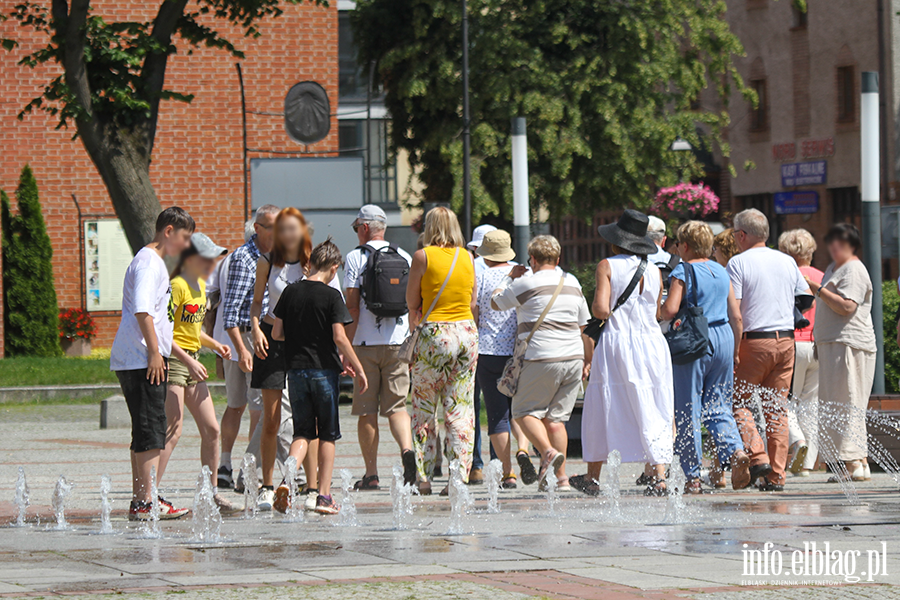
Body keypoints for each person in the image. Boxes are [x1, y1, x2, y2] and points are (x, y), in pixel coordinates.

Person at [577, 210, 674, 496]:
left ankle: (593, 477)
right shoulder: (655, 270)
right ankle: (659, 476)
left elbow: (602, 309)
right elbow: (657, 312)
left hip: (619, 342)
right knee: (653, 404)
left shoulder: (607, 265)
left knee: (605, 403)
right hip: (652, 344)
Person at [251, 207, 339, 511]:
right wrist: (254, 330)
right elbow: (256, 304)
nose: (288, 234)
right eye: (282, 229)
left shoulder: (310, 262)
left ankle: (313, 485)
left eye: (293, 228)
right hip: (272, 338)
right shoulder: (266, 262)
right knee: (271, 418)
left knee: (309, 419)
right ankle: (267, 484)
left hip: (302, 342)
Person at [272, 240, 368, 515]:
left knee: (302, 432)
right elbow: (339, 337)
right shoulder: (331, 295)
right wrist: (358, 367)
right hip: (324, 371)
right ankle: (323, 497)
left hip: (296, 370)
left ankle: (287, 481)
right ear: (334, 267)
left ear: (311, 262)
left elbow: (277, 333)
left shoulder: (289, 292)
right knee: (327, 434)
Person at [110, 207, 194, 521]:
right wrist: (155, 353)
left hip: (139, 356)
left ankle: (142, 498)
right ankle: (146, 502)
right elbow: (143, 312)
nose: (185, 246)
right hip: (141, 358)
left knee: (146, 429)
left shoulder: (153, 262)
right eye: (184, 238)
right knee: (151, 429)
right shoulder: (148, 263)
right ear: (168, 231)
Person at [491, 235, 590, 491]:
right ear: (558, 259)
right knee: (556, 420)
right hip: (573, 357)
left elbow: (496, 302)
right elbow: (582, 324)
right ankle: (562, 480)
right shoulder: (572, 282)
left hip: (541, 357)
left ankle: (546, 451)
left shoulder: (525, 282)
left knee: (523, 412)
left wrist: (509, 277)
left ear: (532, 260)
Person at [659, 221, 750, 493]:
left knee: (688, 408)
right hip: (724, 336)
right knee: (719, 404)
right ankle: (735, 451)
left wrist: (657, 309)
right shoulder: (722, 272)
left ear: (684, 246)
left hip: (695, 341)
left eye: (678, 243)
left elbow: (671, 309)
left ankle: (693, 477)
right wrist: (734, 351)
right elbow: (736, 316)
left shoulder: (682, 270)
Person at [727, 208, 811, 491]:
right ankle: (776, 476)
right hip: (786, 341)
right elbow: (806, 300)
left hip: (754, 340)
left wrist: (735, 349)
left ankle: (758, 457)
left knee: (738, 403)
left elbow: (735, 311)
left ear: (741, 235)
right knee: (777, 409)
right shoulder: (787, 261)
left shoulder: (738, 263)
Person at [155, 233, 238, 514]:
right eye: (208, 259)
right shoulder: (176, 286)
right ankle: (149, 495)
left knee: (212, 430)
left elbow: (194, 331)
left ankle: (210, 493)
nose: (213, 264)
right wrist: (187, 361)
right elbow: (164, 333)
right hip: (174, 361)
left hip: (192, 360)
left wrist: (215, 344)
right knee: (173, 430)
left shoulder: (200, 286)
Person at [343, 205, 417, 490]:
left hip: (364, 343)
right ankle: (407, 451)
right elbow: (412, 303)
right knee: (397, 407)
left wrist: (346, 347)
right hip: (398, 342)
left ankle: (371, 474)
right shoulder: (404, 255)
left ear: (363, 228)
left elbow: (352, 305)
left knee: (367, 410)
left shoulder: (355, 257)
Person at [407, 206, 478, 496]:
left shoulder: (422, 257)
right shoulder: (468, 257)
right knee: (460, 409)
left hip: (436, 333)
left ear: (429, 227)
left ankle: (423, 477)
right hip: (467, 333)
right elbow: (473, 301)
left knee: (425, 407)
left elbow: (412, 302)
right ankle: (457, 478)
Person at [218, 206, 290, 493]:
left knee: (266, 411)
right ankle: (253, 474)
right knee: (269, 411)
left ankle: (261, 473)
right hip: (251, 338)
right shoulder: (244, 258)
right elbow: (232, 312)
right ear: (257, 228)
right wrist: (242, 349)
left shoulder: (277, 258)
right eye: (272, 227)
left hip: (266, 339)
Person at [806, 224, 877, 483]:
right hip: (833, 344)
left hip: (849, 344)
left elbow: (847, 306)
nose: (835, 247)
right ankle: (858, 462)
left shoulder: (855, 269)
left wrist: (817, 288)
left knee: (847, 402)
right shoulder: (834, 268)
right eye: (832, 242)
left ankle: (852, 463)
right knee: (841, 403)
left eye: (841, 243)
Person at [474, 230, 537, 488]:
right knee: (519, 408)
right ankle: (523, 448)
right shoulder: (525, 273)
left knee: (497, 414)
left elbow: (474, 310)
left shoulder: (481, 274)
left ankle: (508, 473)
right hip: (518, 350)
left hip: (488, 350)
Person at [778, 229, 823, 477]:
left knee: (783, 400)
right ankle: (807, 464)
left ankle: (798, 442)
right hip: (817, 345)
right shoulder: (821, 276)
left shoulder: (786, 275)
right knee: (810, 404)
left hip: (792, 343)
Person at [466, 223, 499, 483]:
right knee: (499, 408)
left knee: (472, 405)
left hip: (473, 343)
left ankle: (475, 465)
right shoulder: (513, 268)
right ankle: (500, 463)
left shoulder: (470, 267)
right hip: (502, 347)